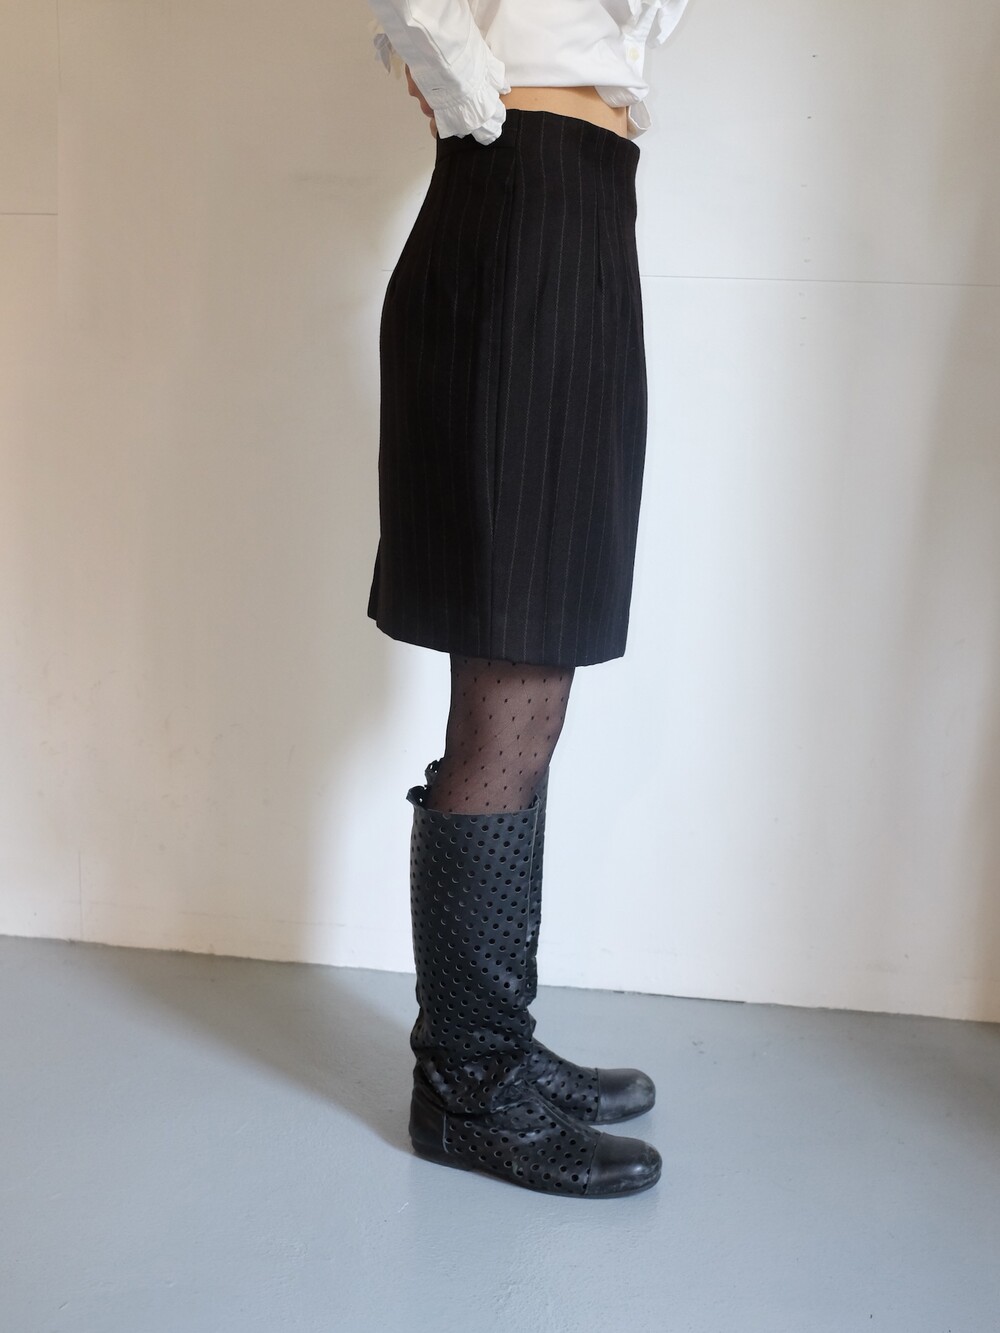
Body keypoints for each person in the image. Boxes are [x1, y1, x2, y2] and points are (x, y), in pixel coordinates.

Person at [365, 0, 690, 1198]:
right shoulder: (508, 154)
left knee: (538, 657)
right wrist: (470, 99)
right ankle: (468, 1085)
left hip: (579, 205)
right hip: (522, 205)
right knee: (515, 664)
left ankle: (492, 1043)